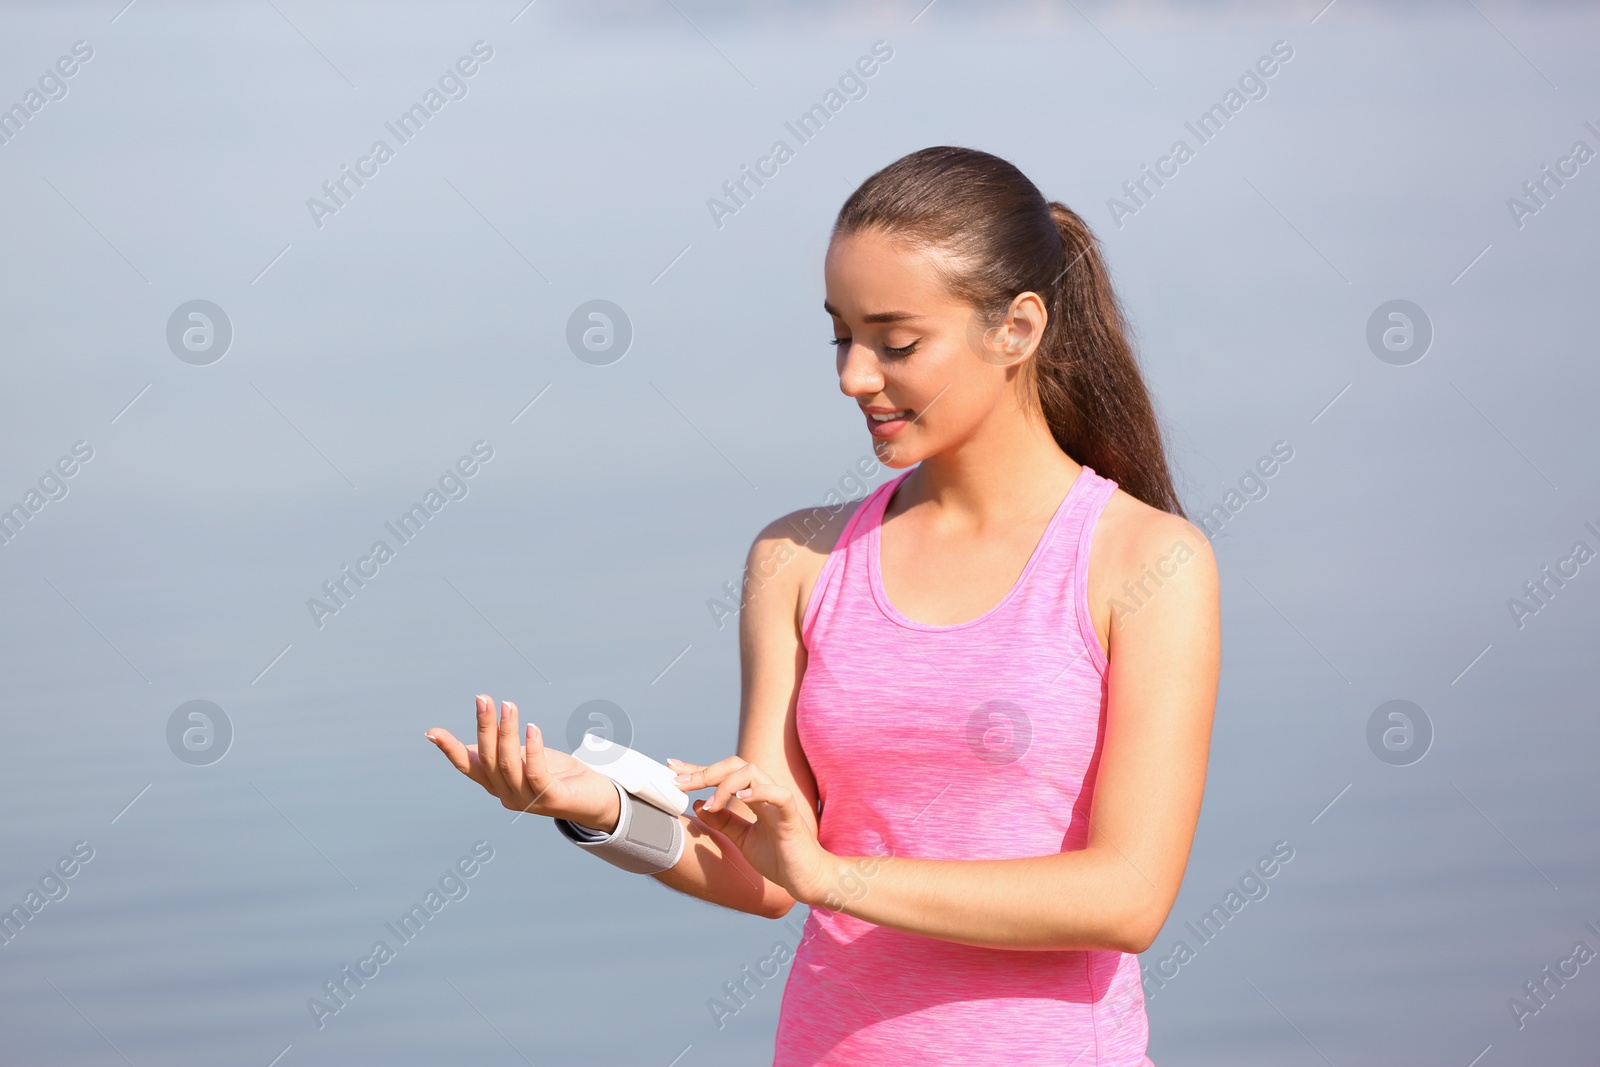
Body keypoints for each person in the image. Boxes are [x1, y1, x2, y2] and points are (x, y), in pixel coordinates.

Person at [426, 145, 1220, 1066]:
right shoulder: (797, 561)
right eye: (841, 334)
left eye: (897, 341)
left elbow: (1127, 898)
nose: (853, 376)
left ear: (1018, 328)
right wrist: (598, 806)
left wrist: (837, 877)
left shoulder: (1147, 561)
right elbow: (763, 872)